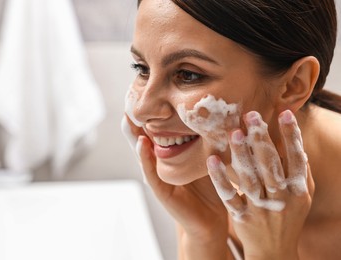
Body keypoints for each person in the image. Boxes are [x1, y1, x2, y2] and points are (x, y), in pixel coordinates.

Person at [122, 0, 341, 259]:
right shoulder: (210, 174)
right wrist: (203, 235)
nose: (141, 110)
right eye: (142, 68)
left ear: (294, 84)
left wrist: (270, 253)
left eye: (188, 75)